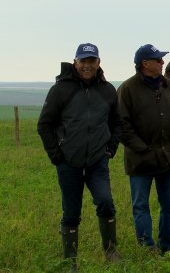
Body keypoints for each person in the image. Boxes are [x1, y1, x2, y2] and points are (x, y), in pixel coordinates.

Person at [38, 43, 122, 270]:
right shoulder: (61, 90)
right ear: (75, 62)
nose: (87, 65)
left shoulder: (107, 90)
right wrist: (57, 156)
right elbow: (44, 124)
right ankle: (70, 262)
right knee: (71, 213)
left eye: (91, 61)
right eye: (83, 61)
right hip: (68, 163)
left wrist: (110, 149)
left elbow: (117, 123)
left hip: (97, 162)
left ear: (98, 63)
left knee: (106, 203)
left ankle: (111, 251)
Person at [117, 44, 170, 255]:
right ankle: (148, 249)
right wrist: (143, 149)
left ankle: (166, 246)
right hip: (141, 159)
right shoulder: (127, 89)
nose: (162, 62)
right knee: (140, 206)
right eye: (158, 60)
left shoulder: (168, 86)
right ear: (145, 64)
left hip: (168, 157)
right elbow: (122, 126)